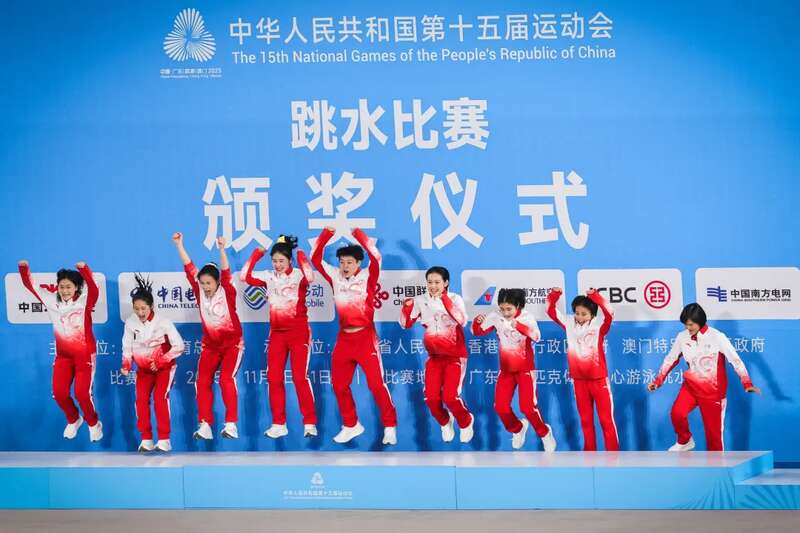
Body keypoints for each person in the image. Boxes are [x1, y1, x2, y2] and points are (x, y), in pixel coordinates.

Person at [311, 227, 397, 445]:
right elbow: (316, 259)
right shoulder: (335, 277)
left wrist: (358, 234)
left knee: (376, 385)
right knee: (339, 385)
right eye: (342, 262)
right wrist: (326, 235)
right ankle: (351, 424)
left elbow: (376, 257)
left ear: (359, 263)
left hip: (365, 338)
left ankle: (390, 426)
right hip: (344, 339)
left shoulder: (368, 276)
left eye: (350, 262)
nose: (345, 266)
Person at [648, 303, 761, 451]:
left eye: (691, 324)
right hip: (691, 387)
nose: (688, 328)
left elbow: (736, 360)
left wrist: (747, 383)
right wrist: (658, 381)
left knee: (713, 436)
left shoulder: (717, 337)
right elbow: (671, 359)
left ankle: (717, 464)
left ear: (700, 321)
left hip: (713, 393)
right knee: (677, 413)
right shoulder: (682, 337)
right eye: (685, 324)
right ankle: (685, 440)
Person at [17, 259, 104, 442]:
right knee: (59, 393)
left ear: (76, 287)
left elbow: (94, 288)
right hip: (63, 356)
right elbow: (30, 285)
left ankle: (93, 423)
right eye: (62, 287)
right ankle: (74, 419)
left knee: (82, 394)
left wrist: (84, 269)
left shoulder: (84, 301)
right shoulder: (51, 300)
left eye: (68, 287)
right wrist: (24, 268)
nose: (64, 291)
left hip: (84, 355)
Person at [241, 235, 317, 438]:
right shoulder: (268, 277)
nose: (277, 265)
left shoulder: (299, 275)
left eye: (281, 261)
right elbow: (245, 277)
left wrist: (301, 255)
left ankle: (309, 423)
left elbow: (310, 277)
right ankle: (278, 424)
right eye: (274, 261)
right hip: (277, 335)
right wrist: (257, 254)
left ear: (289, 260)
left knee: (299, 378)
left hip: (298, 333)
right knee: (274, 378)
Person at [172, 232, 244, 440]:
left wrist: (221, 249)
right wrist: (179, 245)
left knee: (225, 379)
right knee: (202, 381)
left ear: (218, 282)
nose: (205, 287)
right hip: (210, 346)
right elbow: (189, 267)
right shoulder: (199, 291)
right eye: (202, 283)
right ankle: (205, 425)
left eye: (209, 283)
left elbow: (226, 271)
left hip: (232, 345)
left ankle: (231, 424)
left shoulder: (227, 291)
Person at [473, 288, 556, 451]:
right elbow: (478, 332)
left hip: (525, 370)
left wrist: (520, 326)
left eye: (509, 309)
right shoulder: (496, 316)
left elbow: (537, 337)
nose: (505, 313)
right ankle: (517, 428)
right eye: (502, 309)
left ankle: (545, 433)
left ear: (518, 306)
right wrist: (477, 321)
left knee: (527, 408)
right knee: (500, 407)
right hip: (506, 370)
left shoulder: (527, 317)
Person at [399, 266, 474, 443]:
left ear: (445, 283)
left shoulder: (455, 299)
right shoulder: (421, 300)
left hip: (455, 356)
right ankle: (445, 421)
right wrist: (406, 308)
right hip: (434, 357)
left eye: (437, 282)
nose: (433, 286)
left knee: (450, 397)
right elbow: (405, 324)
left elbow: (462, 320)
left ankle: (466, 421)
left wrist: (444, 299)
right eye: (430, 282)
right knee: (431, 399)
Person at [546, 287, 619, 451]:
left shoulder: (599, 326)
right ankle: (589, 455)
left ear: (592, 315)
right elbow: (550, 311)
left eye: (584, 314)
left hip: (599, 381)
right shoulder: (569, 324)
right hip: (579, 382)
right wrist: (555, 295)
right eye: (577, 313)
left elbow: (610, 313)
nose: (579, 317)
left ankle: (614, 455)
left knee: (606, 421)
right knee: (586, 421)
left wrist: (595, 296)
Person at [121, 274, 185, 452]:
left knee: (159, 398)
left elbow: (179, 346)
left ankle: (164, 439)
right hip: (144, 370)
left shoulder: (163, 322)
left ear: (151, 306)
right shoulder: (130, 322)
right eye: (136, 309)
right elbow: (127, 346)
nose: (140, 313)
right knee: (140, 401)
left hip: (164, 368)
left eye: (143, 308)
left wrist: (161, 361)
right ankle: (146, 439)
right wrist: (126, 364)